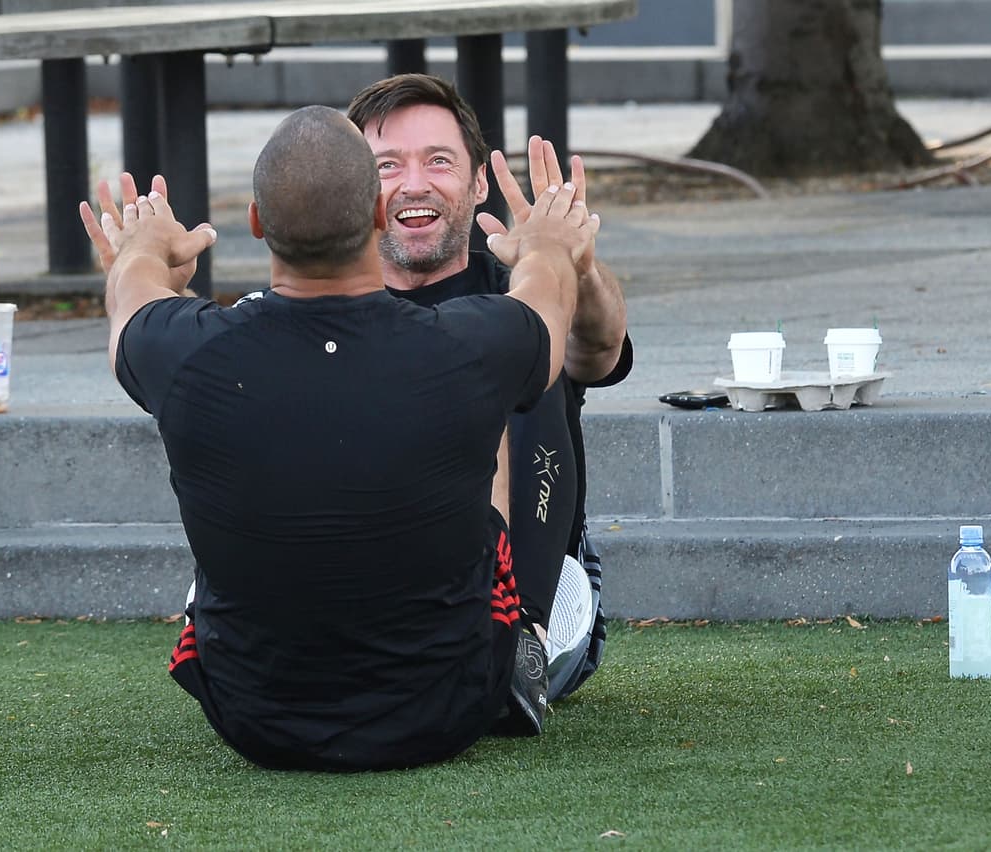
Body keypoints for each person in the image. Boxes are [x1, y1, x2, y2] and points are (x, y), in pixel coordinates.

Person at [79, 105, 598, 771]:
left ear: (259, 224)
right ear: (378, 216)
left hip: (252, 720)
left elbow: (130, 297)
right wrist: (548, 240)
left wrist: (147, 245)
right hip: (448, 712)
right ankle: (524, 630)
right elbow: (548, 298)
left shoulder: (183, 352)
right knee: (501, 397)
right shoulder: (469, 347)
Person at [346, 74, 633, 700]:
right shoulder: (325, 302)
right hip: (375, 580)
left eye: (438, 161)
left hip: (528, 583)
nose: (414, 184)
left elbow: (599, 346)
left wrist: (573, 267)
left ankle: (520, 640)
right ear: (352, 189)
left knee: (518, 347)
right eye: (387, 165)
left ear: (478, 183)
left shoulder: (521, 290)